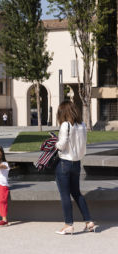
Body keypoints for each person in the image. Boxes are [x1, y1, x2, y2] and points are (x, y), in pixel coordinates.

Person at [54, 101, 98, 235]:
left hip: (64, 162)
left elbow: (61, 145)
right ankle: (89, 221)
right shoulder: (82, 125)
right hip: (77, 162)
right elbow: (83, 145)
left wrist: (54, 143)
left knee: (65, 195)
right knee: (77, 193)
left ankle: (68, 224)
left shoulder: (65, 125)